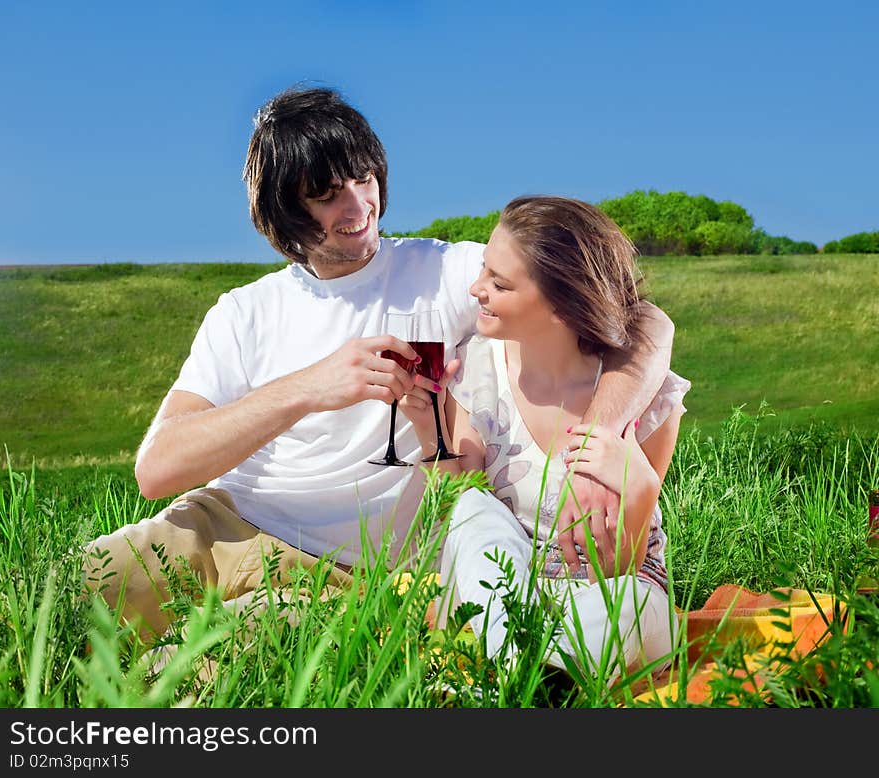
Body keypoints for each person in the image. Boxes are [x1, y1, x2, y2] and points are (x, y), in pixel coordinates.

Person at [82, 85, 676, 651]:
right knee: (70, 598)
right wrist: (310, 388)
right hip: (225, 525)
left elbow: (639, 318)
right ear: (284, 211)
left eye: (363, 178)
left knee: (200, 660)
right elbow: (157, 470)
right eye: (327, 194)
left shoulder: (447, 274)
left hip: (358, 572)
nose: (359, 206)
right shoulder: (243, 313)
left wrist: (597, 439)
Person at [397, 195, 690, 685]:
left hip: (605, 596)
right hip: (509, 591)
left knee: (632, 607)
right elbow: (455, 507)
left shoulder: (642, 396)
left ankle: (521, 664)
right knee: (473, 510)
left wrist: (637, 485)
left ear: (561, 307)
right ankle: (533, 664)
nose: (476, 289)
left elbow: (623, 567)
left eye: (499, 282)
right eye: (484, 271)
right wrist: (429, 430)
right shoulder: (481, 372)